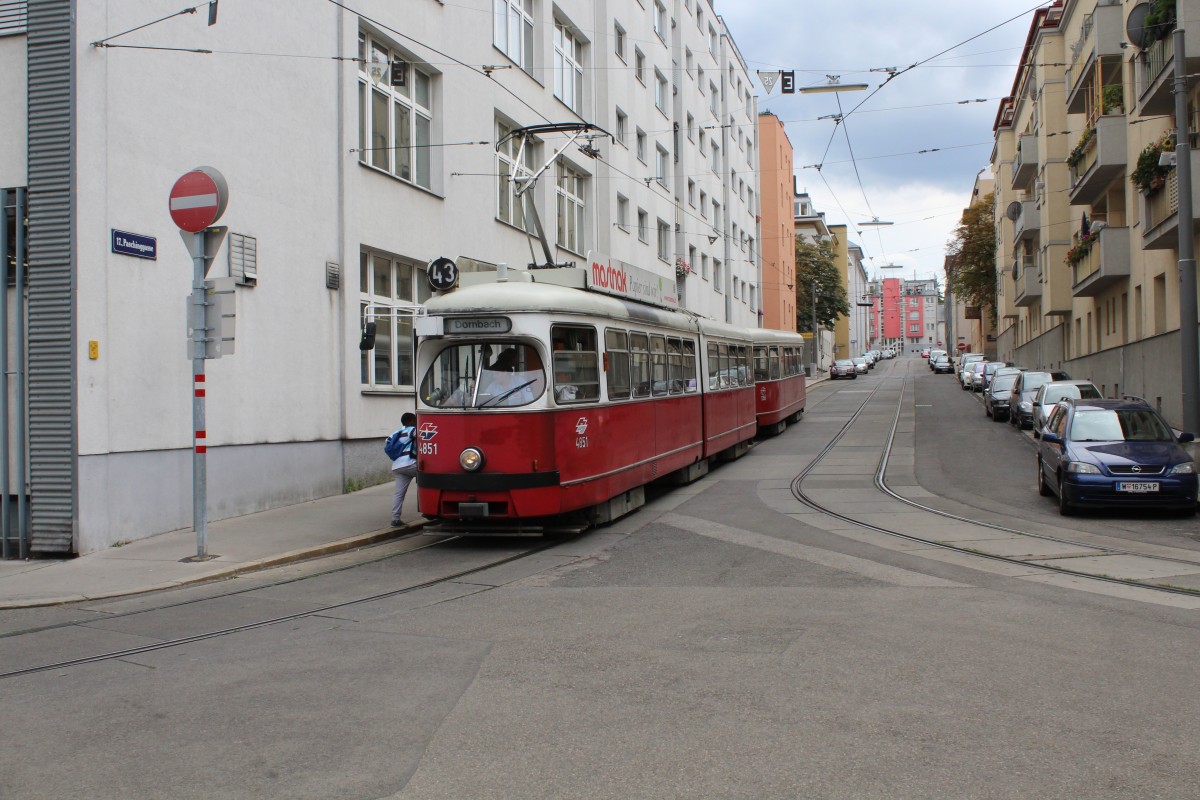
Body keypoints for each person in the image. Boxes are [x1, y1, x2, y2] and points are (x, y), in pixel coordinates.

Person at [387, 412, 417, 526]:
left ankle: (395, 519)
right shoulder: (412, 430)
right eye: (415, 420)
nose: (417, 422)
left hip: (397, 466)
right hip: (410, 464)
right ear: (410, 421)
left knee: (398, 494)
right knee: (430, 478)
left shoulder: (396, 432)